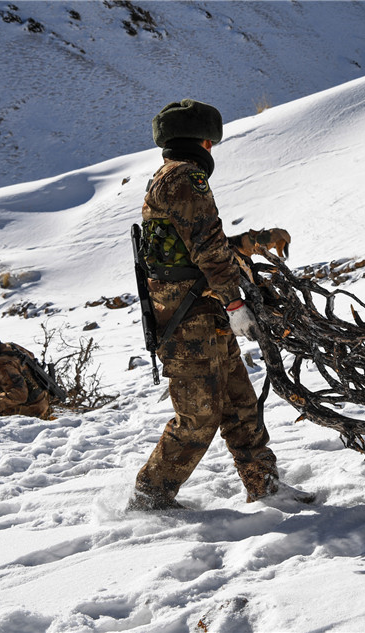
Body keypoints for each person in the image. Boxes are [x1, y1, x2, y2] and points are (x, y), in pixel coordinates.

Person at [127, 98, 280, 511]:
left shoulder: (170, 177)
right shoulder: (185, 178)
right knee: (197, 419)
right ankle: (149, 500)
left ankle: (266, 489)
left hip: (199, 315)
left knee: (241, 408)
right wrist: (235, 304)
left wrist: (250, 242)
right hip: (189, 320)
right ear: (205, 142)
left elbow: (192, 248)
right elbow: (208, 249)